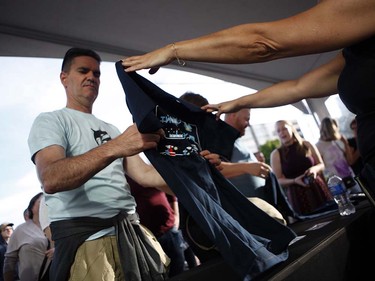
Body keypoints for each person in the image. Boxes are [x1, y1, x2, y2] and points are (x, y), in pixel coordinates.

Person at [121, 0, 375, 202]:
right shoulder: (356, 53)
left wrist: (174, 51)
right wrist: (235, 103)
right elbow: (297, 88)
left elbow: (262, 42)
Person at [27, 47, 173, 281]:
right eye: (83, 71)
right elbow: (51, 178)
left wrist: (194, 170)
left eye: (97, 73)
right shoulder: (51, 120)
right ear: (64, 77)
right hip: (89, 243)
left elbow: (145, 175)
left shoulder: (113, 129)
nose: (91, 77)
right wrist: (116, 146)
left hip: (133, 234)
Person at [126, 175, 186, 278]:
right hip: (147, 236)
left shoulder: (145, 170)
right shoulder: (120, 178)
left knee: (180, 270)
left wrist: (176, 215)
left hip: (168, 229)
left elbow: (169, 190)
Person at [271, 120, 333, 215]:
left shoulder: (307, 144)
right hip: (297, 196)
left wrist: (314, 169)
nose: (281, 132)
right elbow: (278, 180)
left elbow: (321, 164)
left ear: (292, 128)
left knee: (332, 215)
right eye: (278, 131)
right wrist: (294, 180)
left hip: (317, 188)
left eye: (284, 129)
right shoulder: (276, 154)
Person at [3, 192, 48, 281]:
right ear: (32, 207)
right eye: (41, 201)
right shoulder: (21, 230)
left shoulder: (57, 227)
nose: (45, 203)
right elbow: (9, 262)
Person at [316, 117, 361, 193]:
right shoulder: (318, 146)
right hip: (337, 184)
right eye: (331, 131)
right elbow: (321, 170)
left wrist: (345, 143)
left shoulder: (338, 141)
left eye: (334, 131)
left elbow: (350, 161)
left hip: (351, 179)